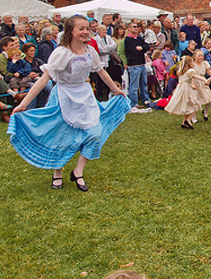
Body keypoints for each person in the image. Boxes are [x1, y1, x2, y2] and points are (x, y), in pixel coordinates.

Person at [8, 15, 130, 191]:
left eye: (87, 28)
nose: (85, 32)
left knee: (95, 133)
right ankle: (57, 173)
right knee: (61, 137)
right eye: (81, 28)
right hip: (64, 95)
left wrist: (115, 89)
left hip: (84, 95)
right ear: (71, 31)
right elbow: (44, 79)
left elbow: (101, 71)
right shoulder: (62, 52)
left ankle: (77, 171)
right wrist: (24, 104)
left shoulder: (90, 51)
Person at [164, 55, 207, 129]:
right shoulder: (191, 71)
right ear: (189, 63)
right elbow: (196, 76)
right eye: (192, 61)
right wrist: (204, 80)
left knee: (187, 105)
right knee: (195, 105)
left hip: (181, 88)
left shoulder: (181, 71)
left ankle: (184, 122)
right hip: (187, 89)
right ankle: (188, 120)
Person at [124, 22, 151, 109]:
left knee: (144, 83)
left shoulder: (139, 38)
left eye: (137, 27)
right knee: (134, 85)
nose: (136, 28)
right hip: (134, 65)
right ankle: (134, 103)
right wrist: (140, 49)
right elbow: (133, 51)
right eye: (134, 27)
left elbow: (147, 46)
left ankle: (145, 99)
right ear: (129, 28)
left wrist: (141, 48)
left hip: (142, 64)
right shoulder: (128, 40)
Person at [192, 49, 211, 121]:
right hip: (195, 82)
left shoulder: (205, 63)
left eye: (202, 56)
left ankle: (205, 111)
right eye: (199, 56)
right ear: (194, 57)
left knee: (208, 98)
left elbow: (209, 72)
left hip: (203, 82)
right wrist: (193, 84)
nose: (201, 57)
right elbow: (192, 75)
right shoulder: (192, 65)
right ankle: (193, 117)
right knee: (195, 100)